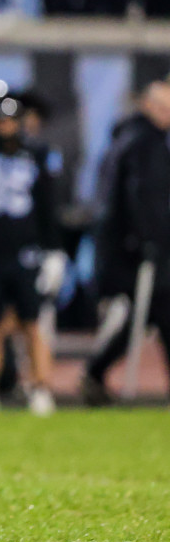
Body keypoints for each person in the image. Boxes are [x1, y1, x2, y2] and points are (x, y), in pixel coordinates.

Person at [0, 89, 62, 416]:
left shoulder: (38, 154)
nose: (4, 128)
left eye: (8, 121)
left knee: (33, 324)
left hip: (26, 250)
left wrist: (54, 251)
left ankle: (41, 387)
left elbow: (48, 205)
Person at [81, 81, 170, 403]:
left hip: (131, 247)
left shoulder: (129, 139)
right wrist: (149, 239)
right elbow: (145, 198)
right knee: (158, 312)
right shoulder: (145, 143)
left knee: (147, 317)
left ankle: (95, 371)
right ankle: (94, 371)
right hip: (142, 250)